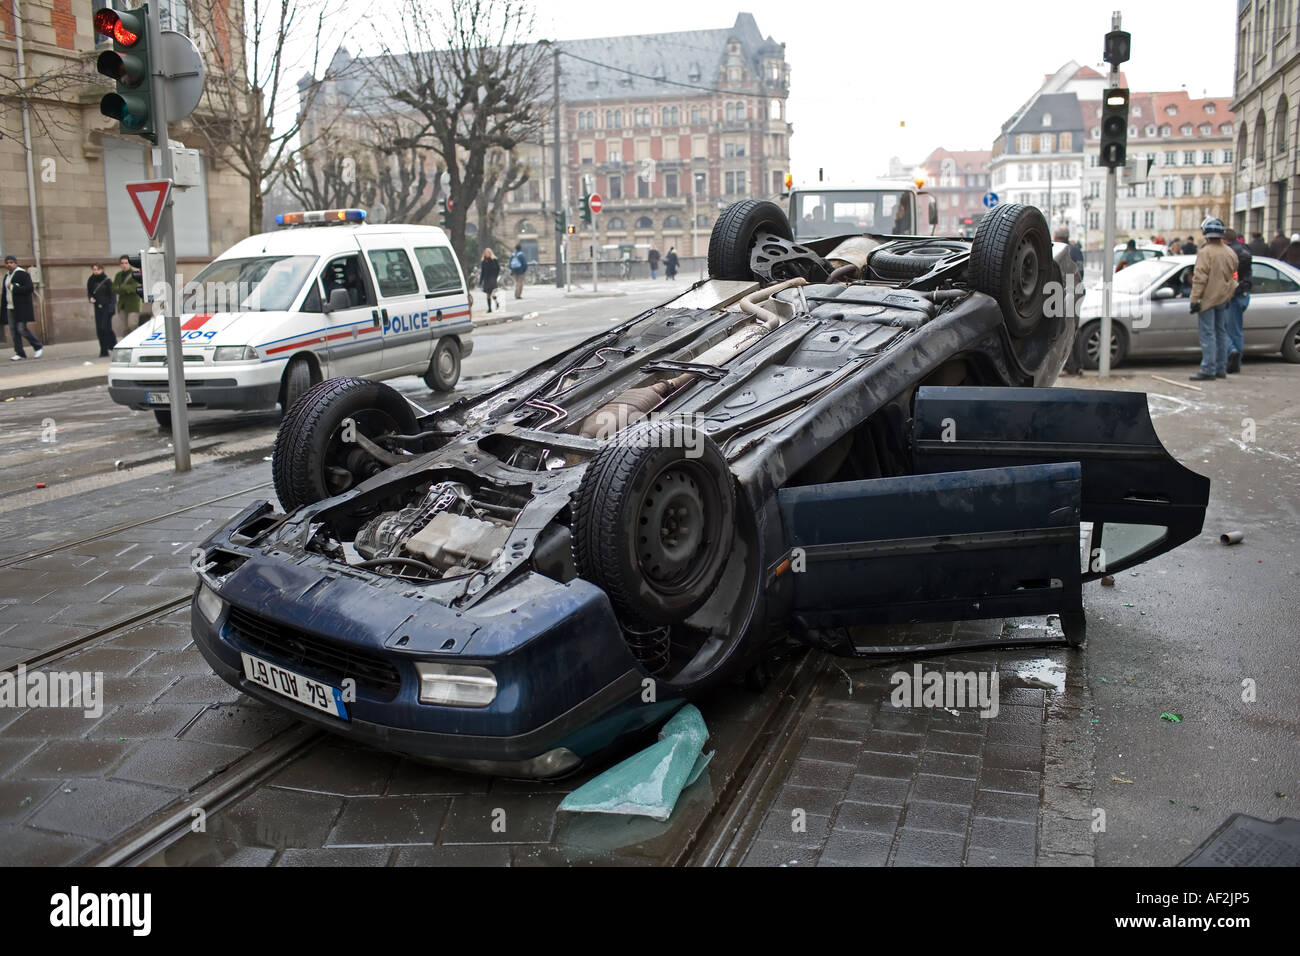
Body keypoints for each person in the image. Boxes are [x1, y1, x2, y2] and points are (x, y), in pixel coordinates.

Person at [1188, 217, 1237, 381]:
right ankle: (1221, 368)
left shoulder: (1205, 252)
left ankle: (1208, 369)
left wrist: (1194, 299)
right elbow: (1233, 277)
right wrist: (1228, 294)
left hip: (1208, 299)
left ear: (1206, 234)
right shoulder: (1230, 252)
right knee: (1221, 333)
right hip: (1223, 298)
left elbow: (1199, 278)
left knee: (1208, 334)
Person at [3, 254, 43, 361]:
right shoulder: (7, 276)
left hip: (21, 307)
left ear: (16, 263)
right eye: (7, 263)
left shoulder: (22, 274)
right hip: (10, 306)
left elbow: (29, 288)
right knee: (13, 331)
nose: (9, 265)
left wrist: (14, 288)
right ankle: (20, 353)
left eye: (11, 262)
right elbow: (4, 292)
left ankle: (37, 346)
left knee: (21, 329)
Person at [1054, 228, 1083, 375]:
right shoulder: (1076, 250)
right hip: (1077, 291)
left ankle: (1071, 366)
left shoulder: (1061, 252)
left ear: (1055, 237)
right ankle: (1077, 364)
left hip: (1067, 294)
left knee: (1066, 330)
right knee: (1074, 329)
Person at [1224, 228, 1251, 374]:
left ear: (1225, 239)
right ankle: (1236, 361)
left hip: (1234, 295)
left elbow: (1231, 276)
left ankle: (1232, 355)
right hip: (1244, 292)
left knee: (1226, 329)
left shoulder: (1229, 252)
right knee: (1237, 331)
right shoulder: (1245, 249)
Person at [87, 263, 116, 357]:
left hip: (107, 307)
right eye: (94, 269)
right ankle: (103, 350)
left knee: (105, 327)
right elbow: (89, 292)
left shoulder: (107, 281)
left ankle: (112, 344)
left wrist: (112, 307)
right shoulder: (91, 280)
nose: (96, 271)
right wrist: (90, 298)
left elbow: (112, 295)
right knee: (99, 329)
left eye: (97, 269)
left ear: (102, 269)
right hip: (97, 306)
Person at [112, 255, 142, 335]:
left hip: (133, 305)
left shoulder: (135, 274)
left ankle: (136, 343)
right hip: (122, 305)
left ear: (129, 264)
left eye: (126, 263)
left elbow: (135, 287)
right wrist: (125, 289)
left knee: (132, 325)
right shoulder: (118, 275)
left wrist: (121, 287)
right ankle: (126, 346)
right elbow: (114, 288)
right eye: (122, 263)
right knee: (125, 328)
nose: (124, 265)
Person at [478, 247, 501, 313]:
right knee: (488, 294)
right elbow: (482, 271)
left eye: (488, 253)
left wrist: (495, 276)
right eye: (485, 253)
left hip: (492, 278)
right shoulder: (484, 261)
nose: (486, 254)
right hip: (486, 279)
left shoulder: (494, 260)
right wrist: (480, 281)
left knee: (492, 293)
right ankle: (490, 308)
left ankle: (496, 304)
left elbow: (498, 268)